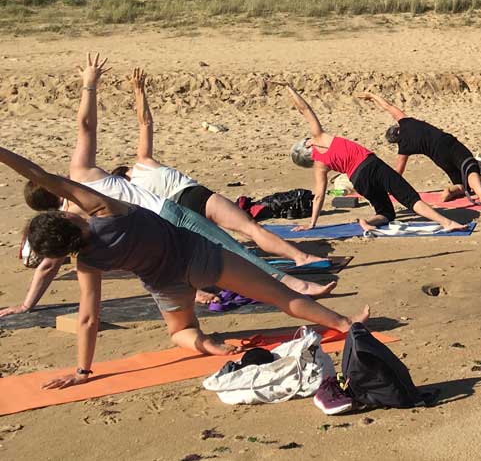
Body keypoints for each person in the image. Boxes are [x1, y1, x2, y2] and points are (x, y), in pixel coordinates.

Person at [0, 144, 369, 390]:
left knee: (181, 332)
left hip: (165, 284)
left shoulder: (88, 262)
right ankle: (344, 324)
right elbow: (42, 176)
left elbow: (87, 318)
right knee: (280, 296)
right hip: (199, 257)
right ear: (63, 218)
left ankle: (205, 343)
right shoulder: (102, 209)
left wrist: (82, 371)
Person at [0, 56, 333, 319]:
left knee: (219, 256)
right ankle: (293, 283)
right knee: (231, 248)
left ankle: (283, 283)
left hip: (158, 230)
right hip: (166, 214)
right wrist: (90, 85)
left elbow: (47, 265)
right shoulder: (80, 180)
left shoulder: (72, 221)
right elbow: (84, 128)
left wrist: (28, 304)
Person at [114, 68, 327, 267]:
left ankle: (245, 270)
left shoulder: (131, 197)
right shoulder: (142, 162)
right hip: (194, 194)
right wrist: (139, 91)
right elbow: (145, 123)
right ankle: (302, 257)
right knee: (250, 228)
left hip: (176, 214)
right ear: (126, 170)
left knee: (220, 249)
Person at [275, 81, 467, 233]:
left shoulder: (319, 165)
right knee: (409, 197)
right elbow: (306, 110)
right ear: (306, 145)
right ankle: (446, 222)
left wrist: (312, 224)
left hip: (358, 180)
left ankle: (367, 221)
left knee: (386, 213)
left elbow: (319, 196)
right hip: (371, 165)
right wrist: (290, 89)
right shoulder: (320, 138)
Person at [354, 91, 481, 207]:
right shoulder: (405, 122)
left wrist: (385, 188)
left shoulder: (403, 148)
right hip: (446, 143)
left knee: (464, 185)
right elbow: (388, 106)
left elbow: (397, 173)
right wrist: (372, 96)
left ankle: (452, 190)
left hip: (438, 158)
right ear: (396, 127)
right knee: (470, 166)